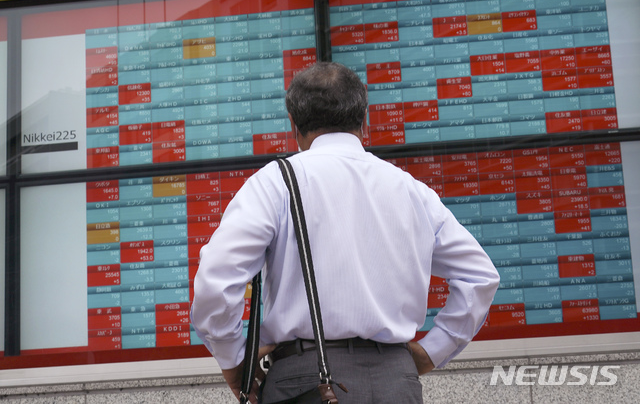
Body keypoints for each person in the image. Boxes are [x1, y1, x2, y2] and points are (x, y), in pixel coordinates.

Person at [191, 62, 500, 403]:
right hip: (396, 381)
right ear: (363, 122)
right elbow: (480, 277)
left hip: (304, 381)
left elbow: (216, 281)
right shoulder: (411, 190)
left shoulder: (275, 182)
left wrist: (234, 359)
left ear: (295, 125)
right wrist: (432, 350)